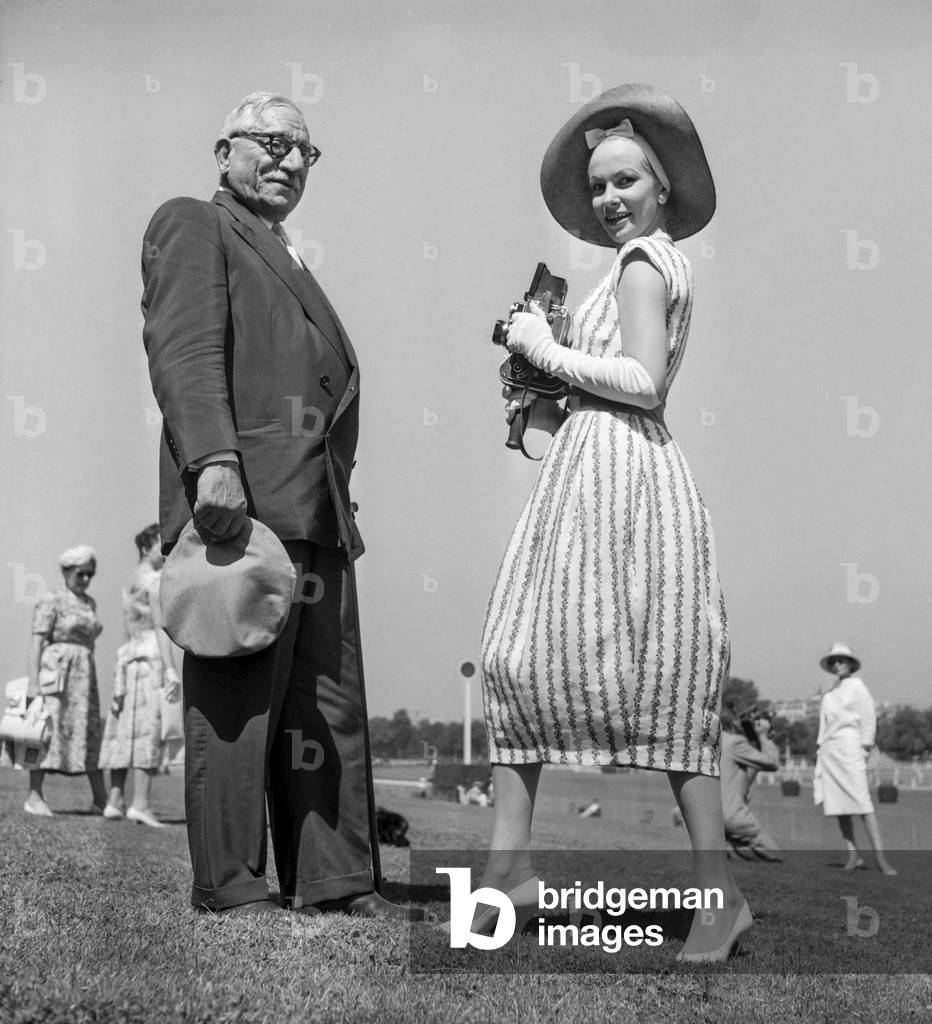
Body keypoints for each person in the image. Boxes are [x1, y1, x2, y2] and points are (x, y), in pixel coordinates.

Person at [478, 84, 750, 962]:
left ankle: (720, 899)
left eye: (626, 179)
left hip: (628, 483)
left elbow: (640, 380)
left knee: (661, 679)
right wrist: (536, 401)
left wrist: (540, 347)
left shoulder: (644, 263)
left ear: (662, 186)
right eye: (599, 186)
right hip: (587, 472)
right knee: (524, 661)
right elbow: (595, 402)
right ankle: (505, 868)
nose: (609, 198)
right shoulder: (620, 267)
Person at [141, 91, 422, 920]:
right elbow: (185, 347)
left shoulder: (288, 256)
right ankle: (230, 884)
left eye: (305, 150)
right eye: (271, 142)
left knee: (326, 706)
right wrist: (214, 463)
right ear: (224, 148)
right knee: (236, 701)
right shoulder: (194, 221)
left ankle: (335, 878)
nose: (291, 160)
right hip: (244, 505)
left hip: (320, 513)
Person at [98, 524, 182, 827]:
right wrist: (172, 670)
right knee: (150, 726)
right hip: (150, 657)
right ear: (148, 546)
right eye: (161, 542)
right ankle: (141, 803)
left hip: (128, 657)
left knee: (124, 729)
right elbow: (160, 626)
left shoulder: (131, 582)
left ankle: (115, 799)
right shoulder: (154, 580)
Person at [24, 546, 107, 815]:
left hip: (84, 679)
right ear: (67, 572)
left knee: (89, 730)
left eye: (90, 575)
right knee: (43, 731)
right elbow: (36, 642)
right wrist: (33, 684)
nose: (85, 580)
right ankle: (34, 796)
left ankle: (100, 800)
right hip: (56, 673)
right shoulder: (51, 600)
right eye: (81, 573)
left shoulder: (90, 603)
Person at [814, 643, 896, 875]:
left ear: (850, 663)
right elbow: (824, 724)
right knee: (839, 806)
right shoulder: (830, 693)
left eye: (841, 660)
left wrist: (865, 748)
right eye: (834, 661)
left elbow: (868, 718)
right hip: (830, 751)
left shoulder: (858, 688)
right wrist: (820, 748)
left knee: (863, 804)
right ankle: (853, 855)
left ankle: (881, 859)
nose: (838, 664)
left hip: (850, 747)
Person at [720, 707, 781, 861]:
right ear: (734, 722)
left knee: (736, 854)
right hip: (732, 817)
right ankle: (734, 847)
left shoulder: (715, 742)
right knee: (777, 855)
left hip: (710, 817)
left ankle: (731, 846)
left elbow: (743, 779)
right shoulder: (735, 743)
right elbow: (772, 763)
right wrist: (764, 737)